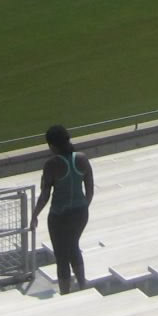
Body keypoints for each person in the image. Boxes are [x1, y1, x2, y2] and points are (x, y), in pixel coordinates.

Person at [30, 124, 95, 294]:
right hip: (80, 212)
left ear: (52, 145)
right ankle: (82, 285)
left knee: (61, 255)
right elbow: (89, 188)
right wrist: (83, 207)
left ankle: (65, 292)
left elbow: (45, 194)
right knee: (73, 246)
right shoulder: (82, 158)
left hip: (59, 215)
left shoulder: (52, 164)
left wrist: (35, 214)